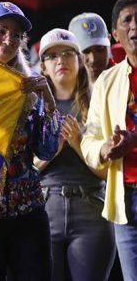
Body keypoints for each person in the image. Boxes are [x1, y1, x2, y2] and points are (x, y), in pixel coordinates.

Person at [0, 2, 60, 280]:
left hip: (28, 215)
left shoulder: (28, 87)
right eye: (0, 31)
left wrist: (48, 102)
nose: (9, 39)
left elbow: (45, 149)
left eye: (16, 34)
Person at [34, 28, 115, 280]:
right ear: (43, 67)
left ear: (80, 61)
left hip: (91, 207)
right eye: (52, 56)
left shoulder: (99, 104)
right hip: (45, 208)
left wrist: (78, 143)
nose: (61, 60)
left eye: (68, 53)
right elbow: (24, 170)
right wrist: (52, 150)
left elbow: (106, 173)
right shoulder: (32, 107)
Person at [80, 0, 137, 279]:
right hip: (125, 203)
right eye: (127, 20)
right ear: (116, 34)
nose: (135, 26)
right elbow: (89, 139)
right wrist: (103, 150)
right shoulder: (108, 82)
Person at [69, 12, 113, 85]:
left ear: (109, 40)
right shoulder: (65, 88)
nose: (93, 59)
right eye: (85, 51)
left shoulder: (126, 79)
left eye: (100, 49)